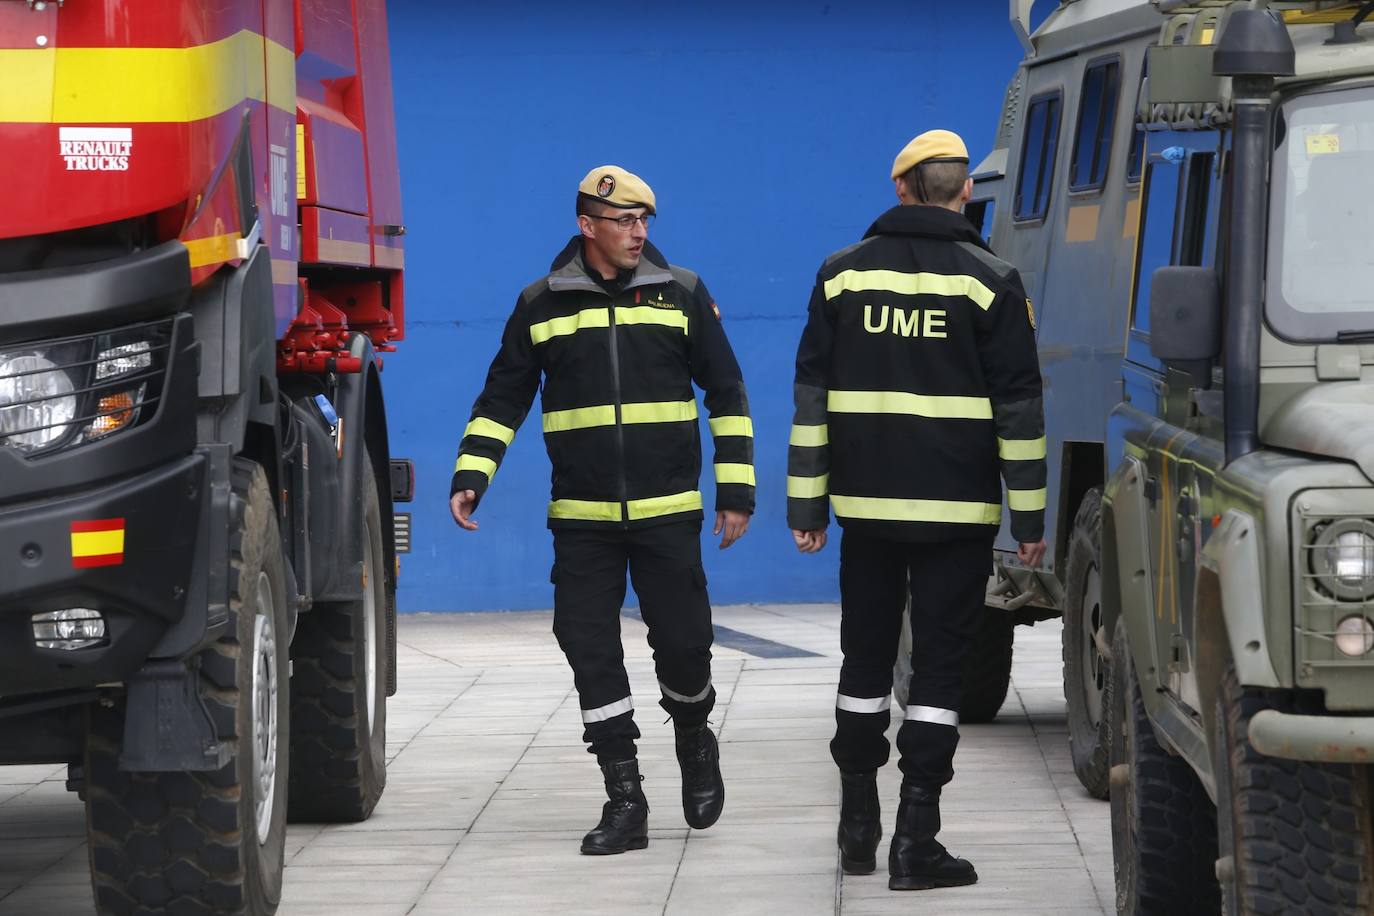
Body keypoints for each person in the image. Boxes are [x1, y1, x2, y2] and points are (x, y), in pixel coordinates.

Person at [449, 165, 755, 855]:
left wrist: (736, 491)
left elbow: (727, 392)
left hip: (668, 511)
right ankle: (625, 796)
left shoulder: (681, 293)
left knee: (684, 645)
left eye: (644, 221)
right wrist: (473, 473)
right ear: (587, 225)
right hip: (583, 518)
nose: (638, 232)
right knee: (587, 646)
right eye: (624, 221)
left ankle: (693, 734)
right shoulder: (542, 303)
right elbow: (503, 397)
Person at [786, 130, 1047, 891]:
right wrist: (1029, 521)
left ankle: (856, 826)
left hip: (865, 513)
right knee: (938, 669)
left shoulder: (841, 276)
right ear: (965, 192)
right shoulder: (993, 281)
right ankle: (916, 840)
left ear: (900, 189)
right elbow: (1020, 410)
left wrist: (808, 504)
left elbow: (812, 399)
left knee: (864, 660)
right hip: (956, 515)